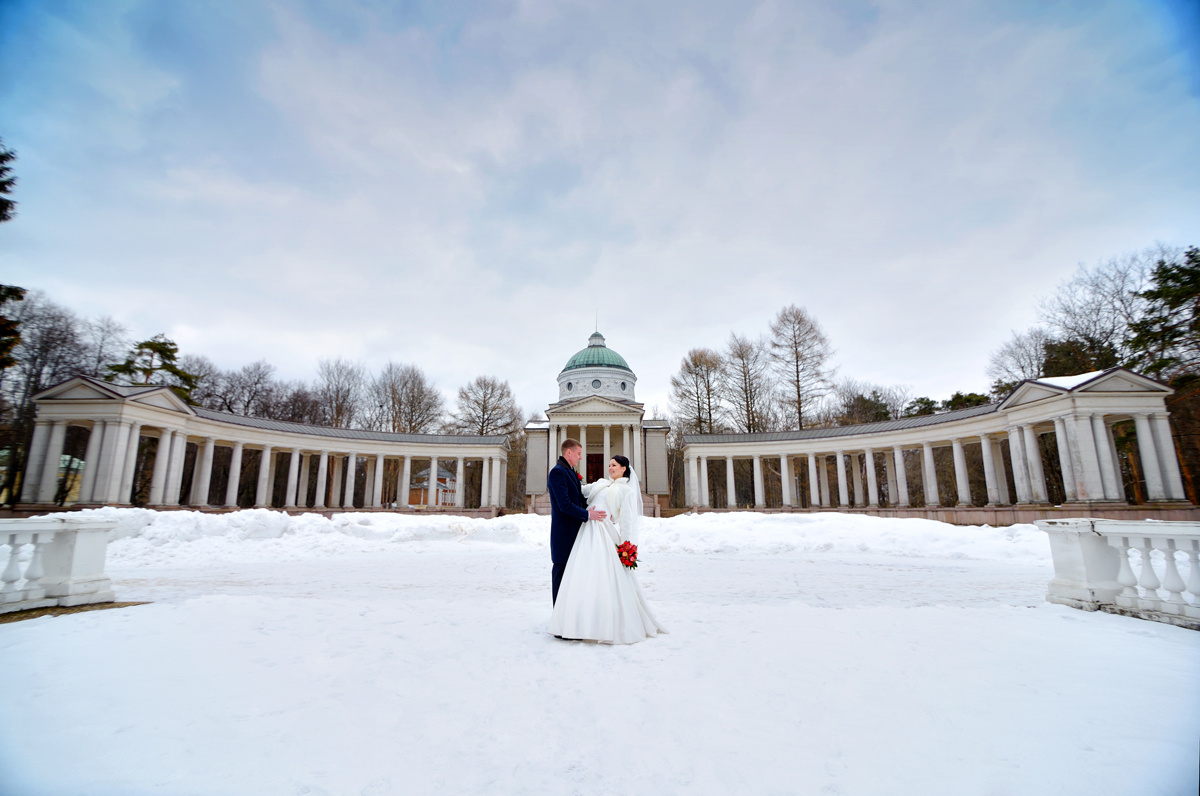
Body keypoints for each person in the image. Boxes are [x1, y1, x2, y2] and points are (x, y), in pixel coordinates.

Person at [549, 454, 667, 644]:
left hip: (604, 533)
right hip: (586, 532)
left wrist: (627, 547)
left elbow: (627, 522)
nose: (610, 468)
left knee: (603, 577)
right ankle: (578, 621)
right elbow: (577, 489)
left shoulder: (626, 491)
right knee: (581, 576)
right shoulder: (600, 484)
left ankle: (604, 623)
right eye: (609, 465)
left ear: (623, 469)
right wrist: (565, 472)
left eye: (614, 465)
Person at [547, 438, 606, 605]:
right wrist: (588, 515)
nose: (581, 457)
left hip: (576, 534)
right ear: (569, 452)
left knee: (573, 578)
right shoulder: (557, 472)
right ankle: (559, 624)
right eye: (579, 454)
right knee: (561, 575)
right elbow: (564, 505)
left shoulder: (570, 472)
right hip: (564, 535)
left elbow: (580, 499)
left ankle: (568, 619)